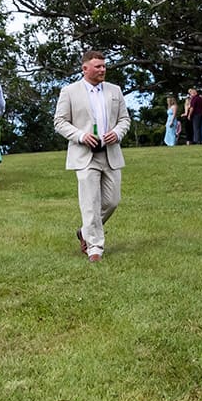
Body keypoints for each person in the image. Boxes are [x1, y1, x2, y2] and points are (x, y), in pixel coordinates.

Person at [55, 48, 129, 262]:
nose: (102, 70)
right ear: (85, 68)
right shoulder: (69, 91)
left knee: (112, 201)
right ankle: (95, 247)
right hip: (84, 155)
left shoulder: (115, 91)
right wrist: (80, 135)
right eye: (98, 66)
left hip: (111, 153)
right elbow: (60, 122)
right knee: (90, 202)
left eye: (104, 66)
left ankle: (84, 232)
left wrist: (116, 133)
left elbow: (125, 119)